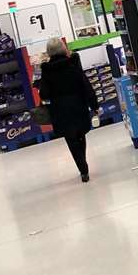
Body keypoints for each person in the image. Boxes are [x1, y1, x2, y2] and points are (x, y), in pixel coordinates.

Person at [36, 38, 99, 182]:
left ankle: (83, 169)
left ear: (49, 52)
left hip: (60, 110)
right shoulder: (73, 64)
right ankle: (83, 165)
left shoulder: (46, 70)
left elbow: (44, 94)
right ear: (63, 48)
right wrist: (94, 105)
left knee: (71, 139)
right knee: (80, 134)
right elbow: (86, 86)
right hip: (78, 106)